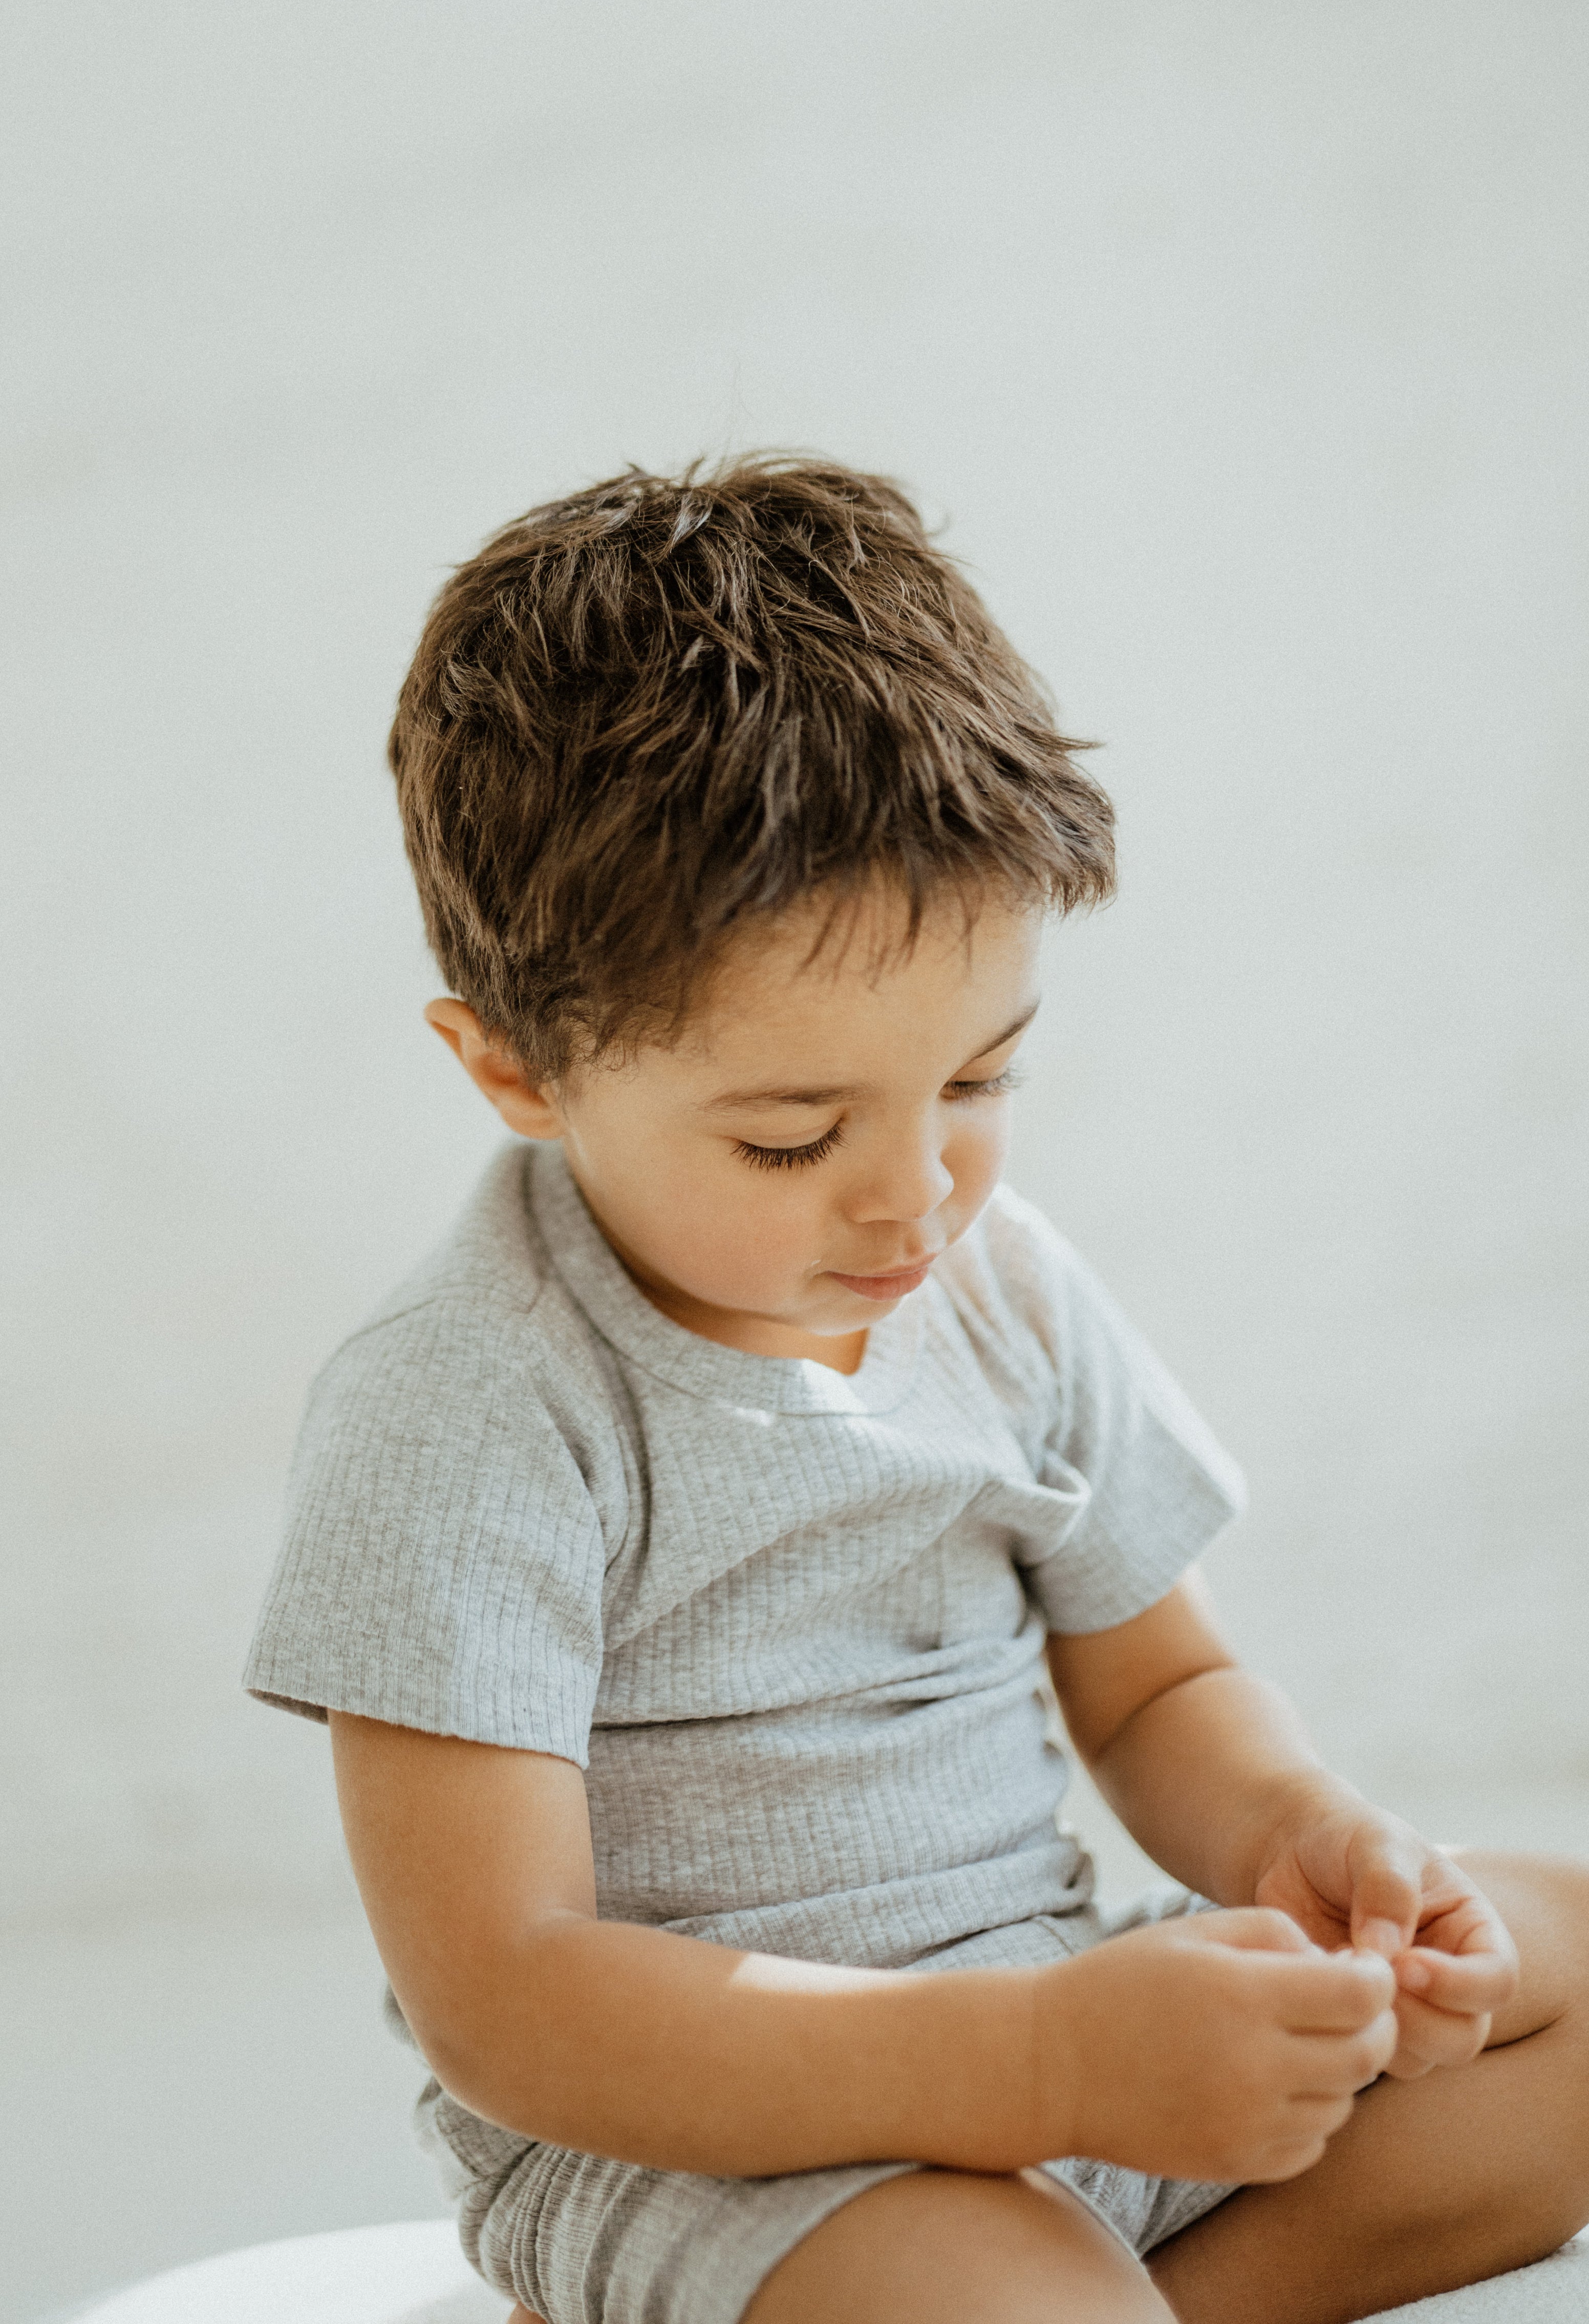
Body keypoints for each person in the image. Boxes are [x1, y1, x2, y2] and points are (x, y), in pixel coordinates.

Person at [245, 457, 1588, 2323]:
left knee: (1571, 1971)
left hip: (1068, 2021)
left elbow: (1164, 1687)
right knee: (997, 2278)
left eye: (977, 1080)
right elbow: (508, 1999)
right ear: (518, 1072)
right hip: (712, 2138)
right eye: (792, 1136)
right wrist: (1032, 2065)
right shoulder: (468, 1409)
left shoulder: (1002, 1284)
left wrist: (1306, 1842)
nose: (916, 1196)